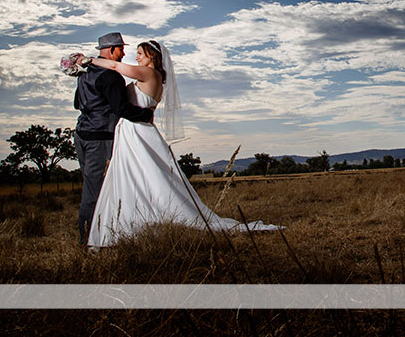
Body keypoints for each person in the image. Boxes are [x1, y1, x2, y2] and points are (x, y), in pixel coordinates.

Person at [82, 40, 279, 248]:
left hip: (136, 131)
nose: (137, 56)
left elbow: (114, 66)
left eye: (140, 53)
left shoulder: (148, 74)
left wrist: (88, 61)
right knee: (138, 177)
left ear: (152, 56)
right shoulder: (155, 77)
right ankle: (133, 222)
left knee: (145, 177)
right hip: (134, 130)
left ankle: (135, 222)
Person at [73, 32, 155, 246]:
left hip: (81, 135)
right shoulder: (111, 77)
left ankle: (100, 234)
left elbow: (77, 104)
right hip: (100, 138)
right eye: (121, 49)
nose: (124, 53)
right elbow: (122, 108)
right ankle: (87, 240)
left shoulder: (85, 73)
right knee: (96, 191)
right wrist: (146, 115)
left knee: (93, 186)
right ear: (111, 50)